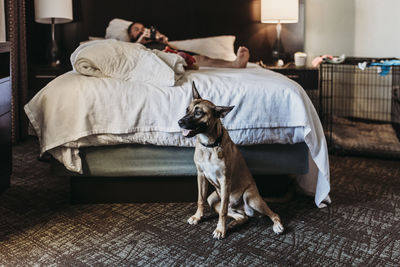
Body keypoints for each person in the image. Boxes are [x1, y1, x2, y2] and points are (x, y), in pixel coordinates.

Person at [127, 22, 249, 68]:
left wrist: (164, 41)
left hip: (173, 53)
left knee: (201, 58)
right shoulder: (130, 45)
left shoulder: (156, 40)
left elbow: (175, 49)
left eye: (143, 28)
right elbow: (132, 55)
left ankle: (235, 64)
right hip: (157, 59)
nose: (142, 30)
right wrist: (140, 42)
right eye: (137, 29)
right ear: (131, 35)